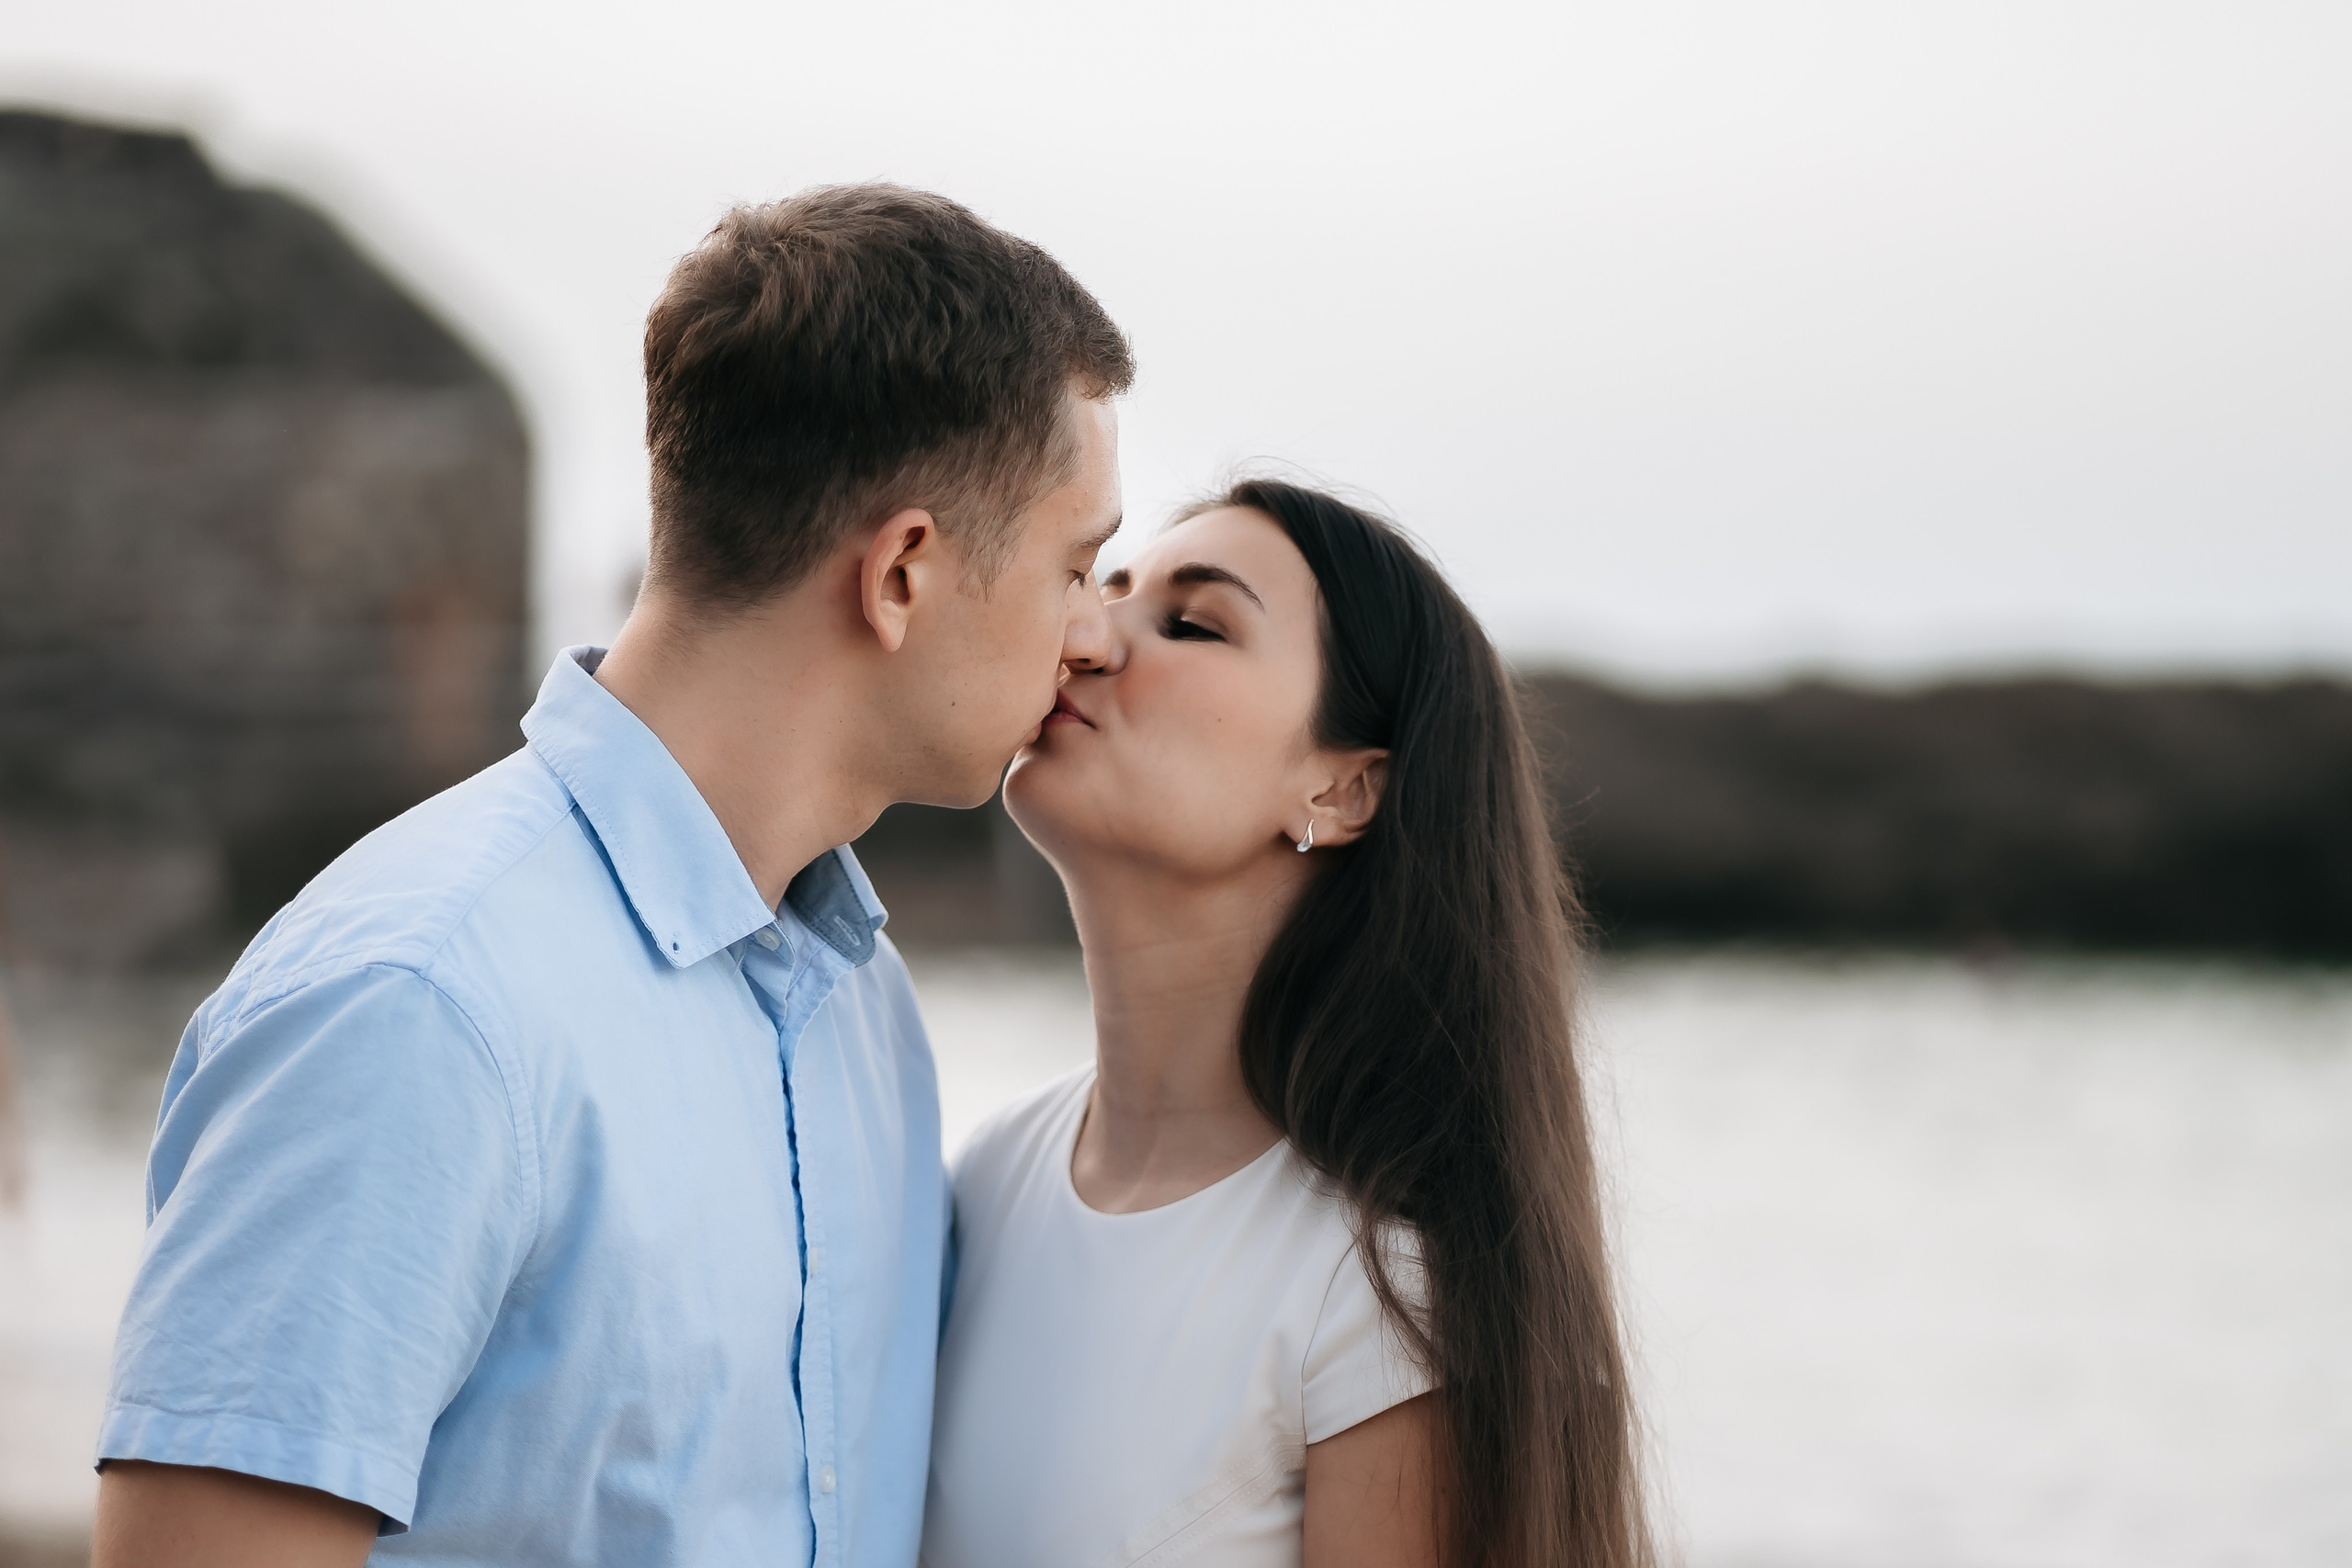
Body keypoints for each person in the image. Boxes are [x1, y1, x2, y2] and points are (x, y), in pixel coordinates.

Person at [92, 186, 1133, 1568]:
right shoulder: (418, 1003)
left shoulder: (862, 1012)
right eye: (1082, 564)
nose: (1095, 637)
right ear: (901, 574)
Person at [923, 479, 1653, 1568]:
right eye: (1097, 587)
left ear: (1342, 790)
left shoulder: (1386, 1305)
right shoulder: (981, 1181)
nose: (1084, 635)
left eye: (1191, 623)